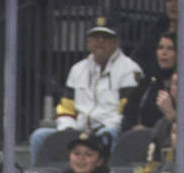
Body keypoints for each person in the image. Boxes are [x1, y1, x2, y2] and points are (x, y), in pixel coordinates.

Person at [29, 17, 142, 164]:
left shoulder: (130, 70)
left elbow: (126, 113)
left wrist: (104, 130)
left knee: (108, 135)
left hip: (110, 131)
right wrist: (68, 129)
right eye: (95, 37)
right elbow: (66, 109)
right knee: (39, 136)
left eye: (106, 37)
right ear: (88, 42)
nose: (100, 41)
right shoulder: (77, 69)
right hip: (79, 131)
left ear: (116, 42)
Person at [122, 33, 176, 132]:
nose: (164, 53)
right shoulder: (147, 82)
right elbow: (128, 115)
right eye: (160, 48)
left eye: (170, 49)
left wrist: (171, 114)